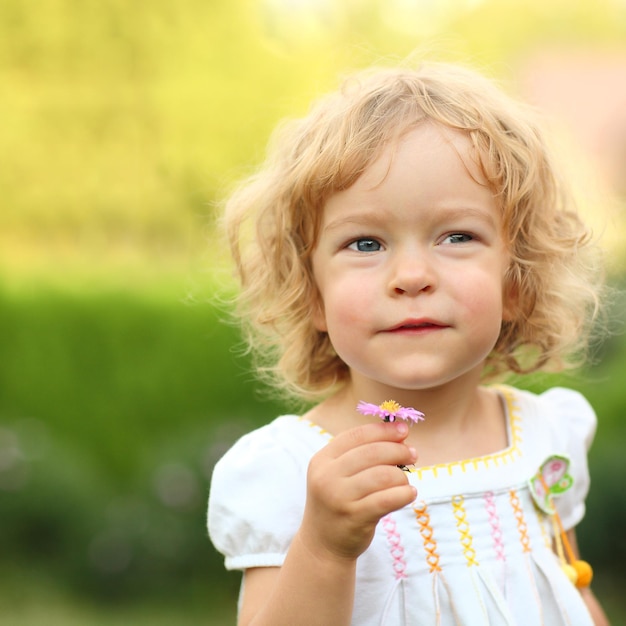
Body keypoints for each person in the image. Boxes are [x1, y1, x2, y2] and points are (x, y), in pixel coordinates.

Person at [208, 60, 610, 625]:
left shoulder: (546, 436)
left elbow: (570, 589)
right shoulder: (292, 471)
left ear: (517, 281)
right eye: (366, 243)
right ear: (313, 294)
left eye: (457, 236)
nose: (412, 274)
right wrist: (324, 548)